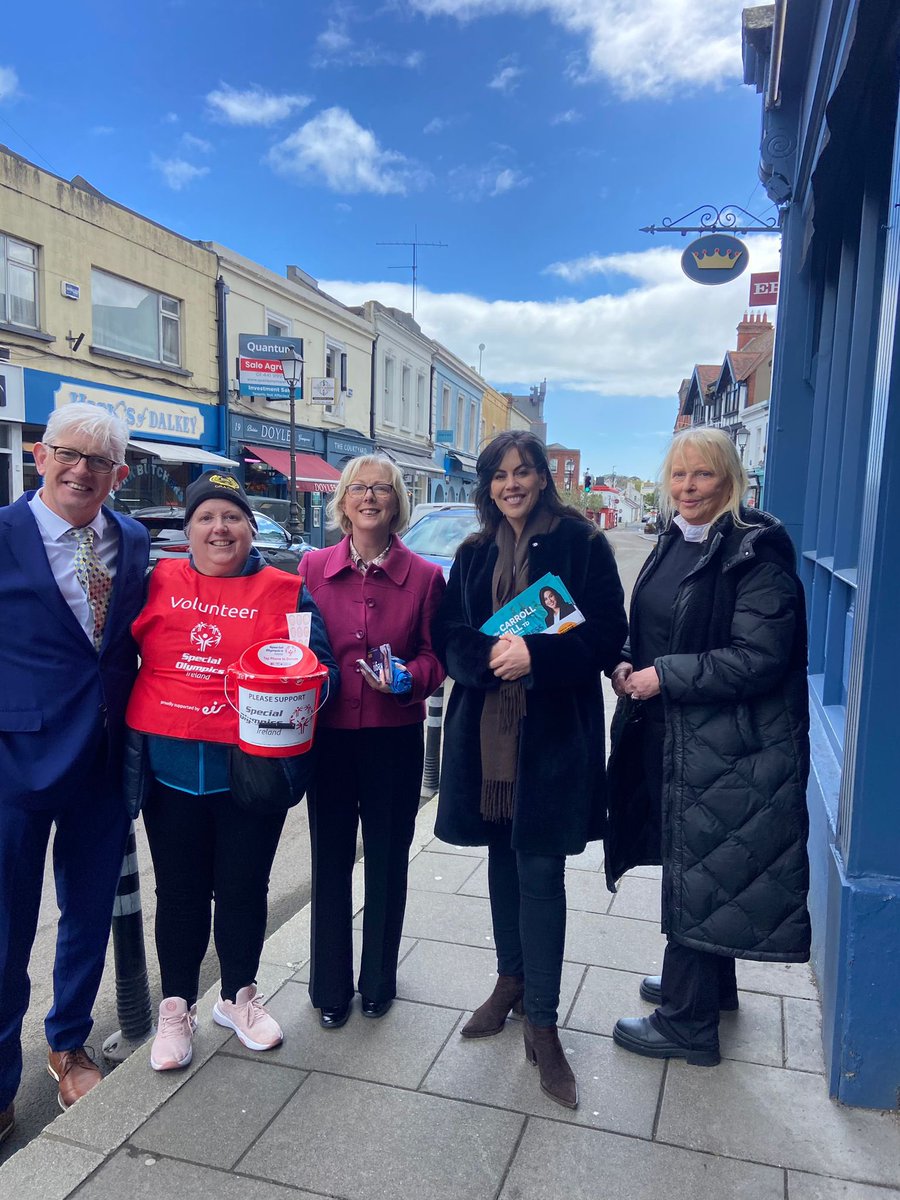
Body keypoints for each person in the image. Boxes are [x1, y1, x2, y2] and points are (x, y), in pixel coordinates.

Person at [433, 431, 627, 1109]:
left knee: (540, 868)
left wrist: (537, 659)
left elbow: (607, 633)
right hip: (484, 737)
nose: (512, 483)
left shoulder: (583, 545)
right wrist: (488, 661)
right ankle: (510, 980)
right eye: (499, 475)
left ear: (543, 479)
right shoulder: (473, 552)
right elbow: (448, 634)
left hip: (551, 741)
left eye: (523, 472)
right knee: (499, 855)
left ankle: (543, 1024)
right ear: (487, 487)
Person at [606, 428, 811, 1067]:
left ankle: (687, 1023)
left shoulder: (754, 553)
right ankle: (707, 984)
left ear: (730, 479)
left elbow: (759, 658)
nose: (688, 488)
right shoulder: (676, 539)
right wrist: (626, 660)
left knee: (699, 864)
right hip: (675, 734)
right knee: (694, 861)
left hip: (727, 748)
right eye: (678, 476)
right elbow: (656, 625)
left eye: (702, 476)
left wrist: (662, 674)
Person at [125, 472, 338, 1071]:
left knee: (244, 890)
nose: (220, 528)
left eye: (233, 517)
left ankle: (239, 997)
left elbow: (324, 672)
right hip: (170, 774)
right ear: (188, 529)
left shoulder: (287, 592)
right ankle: (175, 1010)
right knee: (180, 895)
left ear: (250, 528)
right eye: (206, 518)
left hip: (249, 776)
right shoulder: (156, 582)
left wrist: (298, 689)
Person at [0, 406, 149, 1137]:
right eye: (69, 454)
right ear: (39, 455)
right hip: (13, 763)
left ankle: (68, 1045)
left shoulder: (134, 540)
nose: (81, 470)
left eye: (100, 462)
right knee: (5, 928)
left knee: (89, 913)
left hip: (103, 761)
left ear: (119, 476)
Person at [302, 455, 445, 1029]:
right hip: (330, 739)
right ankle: (330, 986)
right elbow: (294, 641)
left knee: (387, 862)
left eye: (381, 489)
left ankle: (379, 980)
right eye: (358, 488)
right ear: (342, 502)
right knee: (330, 861)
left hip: (393, 739)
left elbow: (438, 656)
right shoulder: (312, 567)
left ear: (397, 502)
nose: (369, 497)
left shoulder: (428, 578)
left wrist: (410, 677)